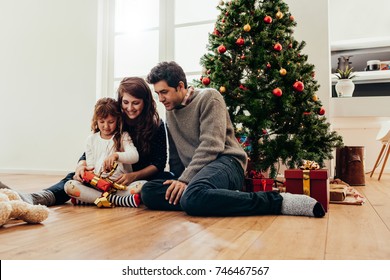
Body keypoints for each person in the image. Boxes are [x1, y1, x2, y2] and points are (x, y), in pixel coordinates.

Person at [141, 61, 326, 218]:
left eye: (163, 92)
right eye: (157, 93)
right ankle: (216, 198)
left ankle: (277, 202)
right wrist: (178, 181)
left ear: (180, 86)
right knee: (149, 192)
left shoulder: (209, 97)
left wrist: (185, 181)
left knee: (192, 197)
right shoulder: (171, 110)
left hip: (227, 162)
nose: (160, 98)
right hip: (197, 176)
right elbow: (175, 155)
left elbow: (211, 146)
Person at [0, 77, 173, 206]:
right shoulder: (116, 120)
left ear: (146, 102)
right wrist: (81, 167)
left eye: (136, 103)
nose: (130, 108)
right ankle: (35, 198)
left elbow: (158, 163)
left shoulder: (156, 125)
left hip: (137, 177)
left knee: (155, 183)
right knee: (73, 178)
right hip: (106, 175)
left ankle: (101, 198)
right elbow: (92, 147)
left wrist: (132, 175)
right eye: (125, 102)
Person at [64, 97, 141, 207]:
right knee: (69, 186)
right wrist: (90, 175)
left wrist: (116, 155)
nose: (106, 126)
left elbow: (135, 156)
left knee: (142, 185)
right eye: (102, 122)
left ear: (118, 120)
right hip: (98, 186)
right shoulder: (91, 140)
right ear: (96, 121)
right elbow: (91, 165)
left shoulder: (123, 136)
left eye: (111, 122)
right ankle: (119, 200)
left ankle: (91, 199)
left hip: (120, 185)